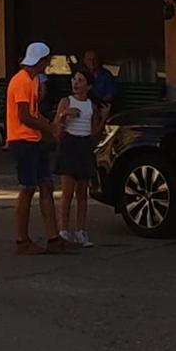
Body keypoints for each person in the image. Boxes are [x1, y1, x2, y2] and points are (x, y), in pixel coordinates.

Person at [6, 41, 67, 255]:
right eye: (47, 60)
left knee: (45, 185)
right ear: (40, 60)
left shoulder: (31, 81)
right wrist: (49, 128)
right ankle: (22, 240)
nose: (49, 63)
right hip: (22, 140)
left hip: (33, 139)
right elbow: (24, 116)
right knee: (28, 188)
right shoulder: (22, 81)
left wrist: (50, 127)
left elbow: (33, 113)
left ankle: (53, 237)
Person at [52, 66, 98, 247]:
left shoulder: (91, 106)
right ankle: (63, 230)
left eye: (80, 80)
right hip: (69, 145)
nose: (76, 83)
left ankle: (80, 230)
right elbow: (56, 128)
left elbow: (94, 133)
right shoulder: (66, 101)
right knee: (67, 192)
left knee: (82, 193)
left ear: (88, 86)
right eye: (74, 79)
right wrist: (64, 115)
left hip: (84, 145)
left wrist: (102, 119)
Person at [81, 49, 116, 130]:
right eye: (89, 59)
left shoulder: (106, 75)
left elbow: (110, 95)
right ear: (84, 61)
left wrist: (98, 103)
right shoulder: (81, 74)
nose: (92, 62)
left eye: (94, 59)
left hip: (100, 106)